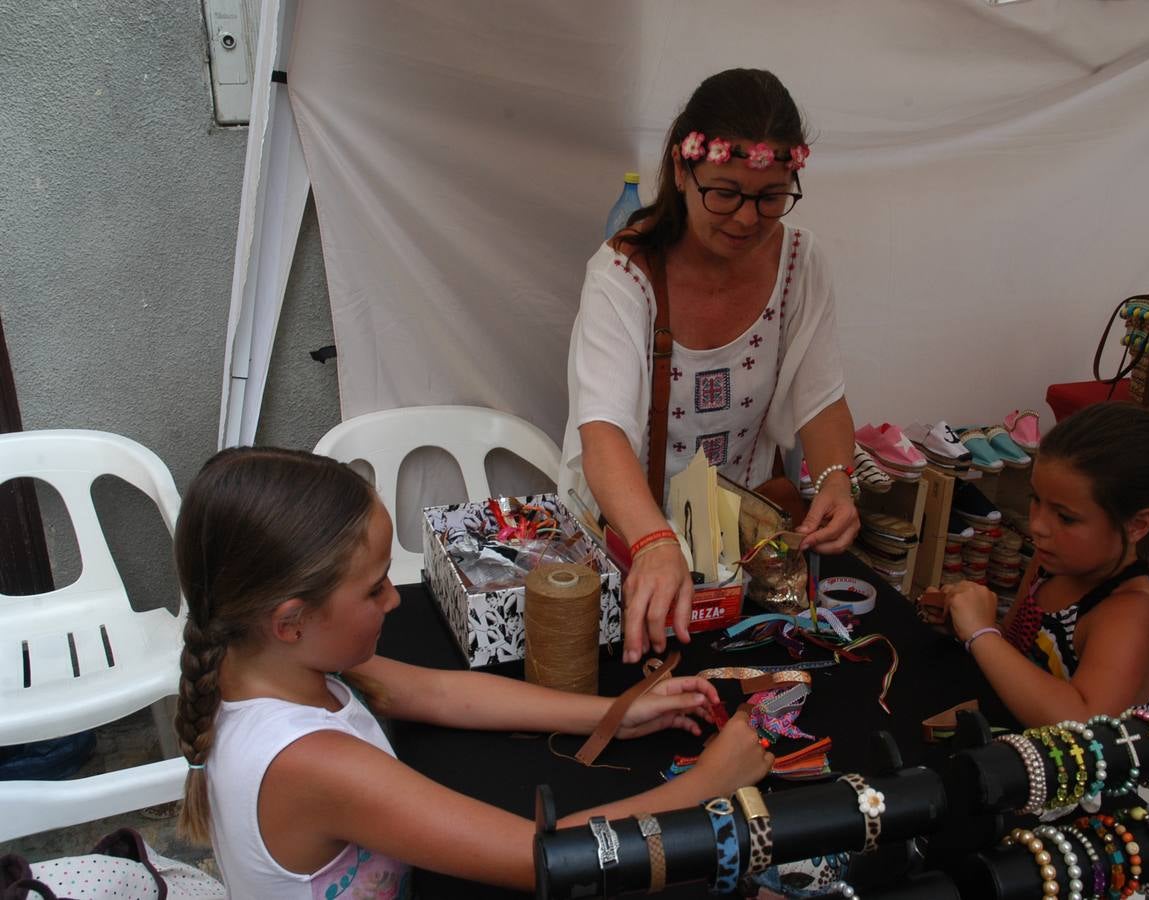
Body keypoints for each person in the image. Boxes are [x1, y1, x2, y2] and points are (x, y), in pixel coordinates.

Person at [173, 447, 772, 897]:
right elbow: (545, 853)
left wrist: (617, 712)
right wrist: (708, 785)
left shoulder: (261, 662)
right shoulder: (311, 764)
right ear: (290, 621)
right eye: (375, 587)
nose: (395, 601)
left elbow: (437, 692)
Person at [561, 68, 860, 664]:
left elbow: (820, 394)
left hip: (735, 543)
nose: (747, 218)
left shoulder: (800, 261)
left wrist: (835, 480)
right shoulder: (624, 275)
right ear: (681, 169)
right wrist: (653, 542)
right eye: (724, 192)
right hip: (626, 536)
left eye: (770, 197)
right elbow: (604, 433)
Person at [943, 402, 1149, 727]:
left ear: (1136, 525)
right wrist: (964, 623)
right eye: (1035, 499)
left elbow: (1082, 723)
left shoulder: (1130, 614)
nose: (1038, 526)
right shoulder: (1051, 564)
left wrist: (981, 633)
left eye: (1065, 517)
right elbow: (1017, 648)